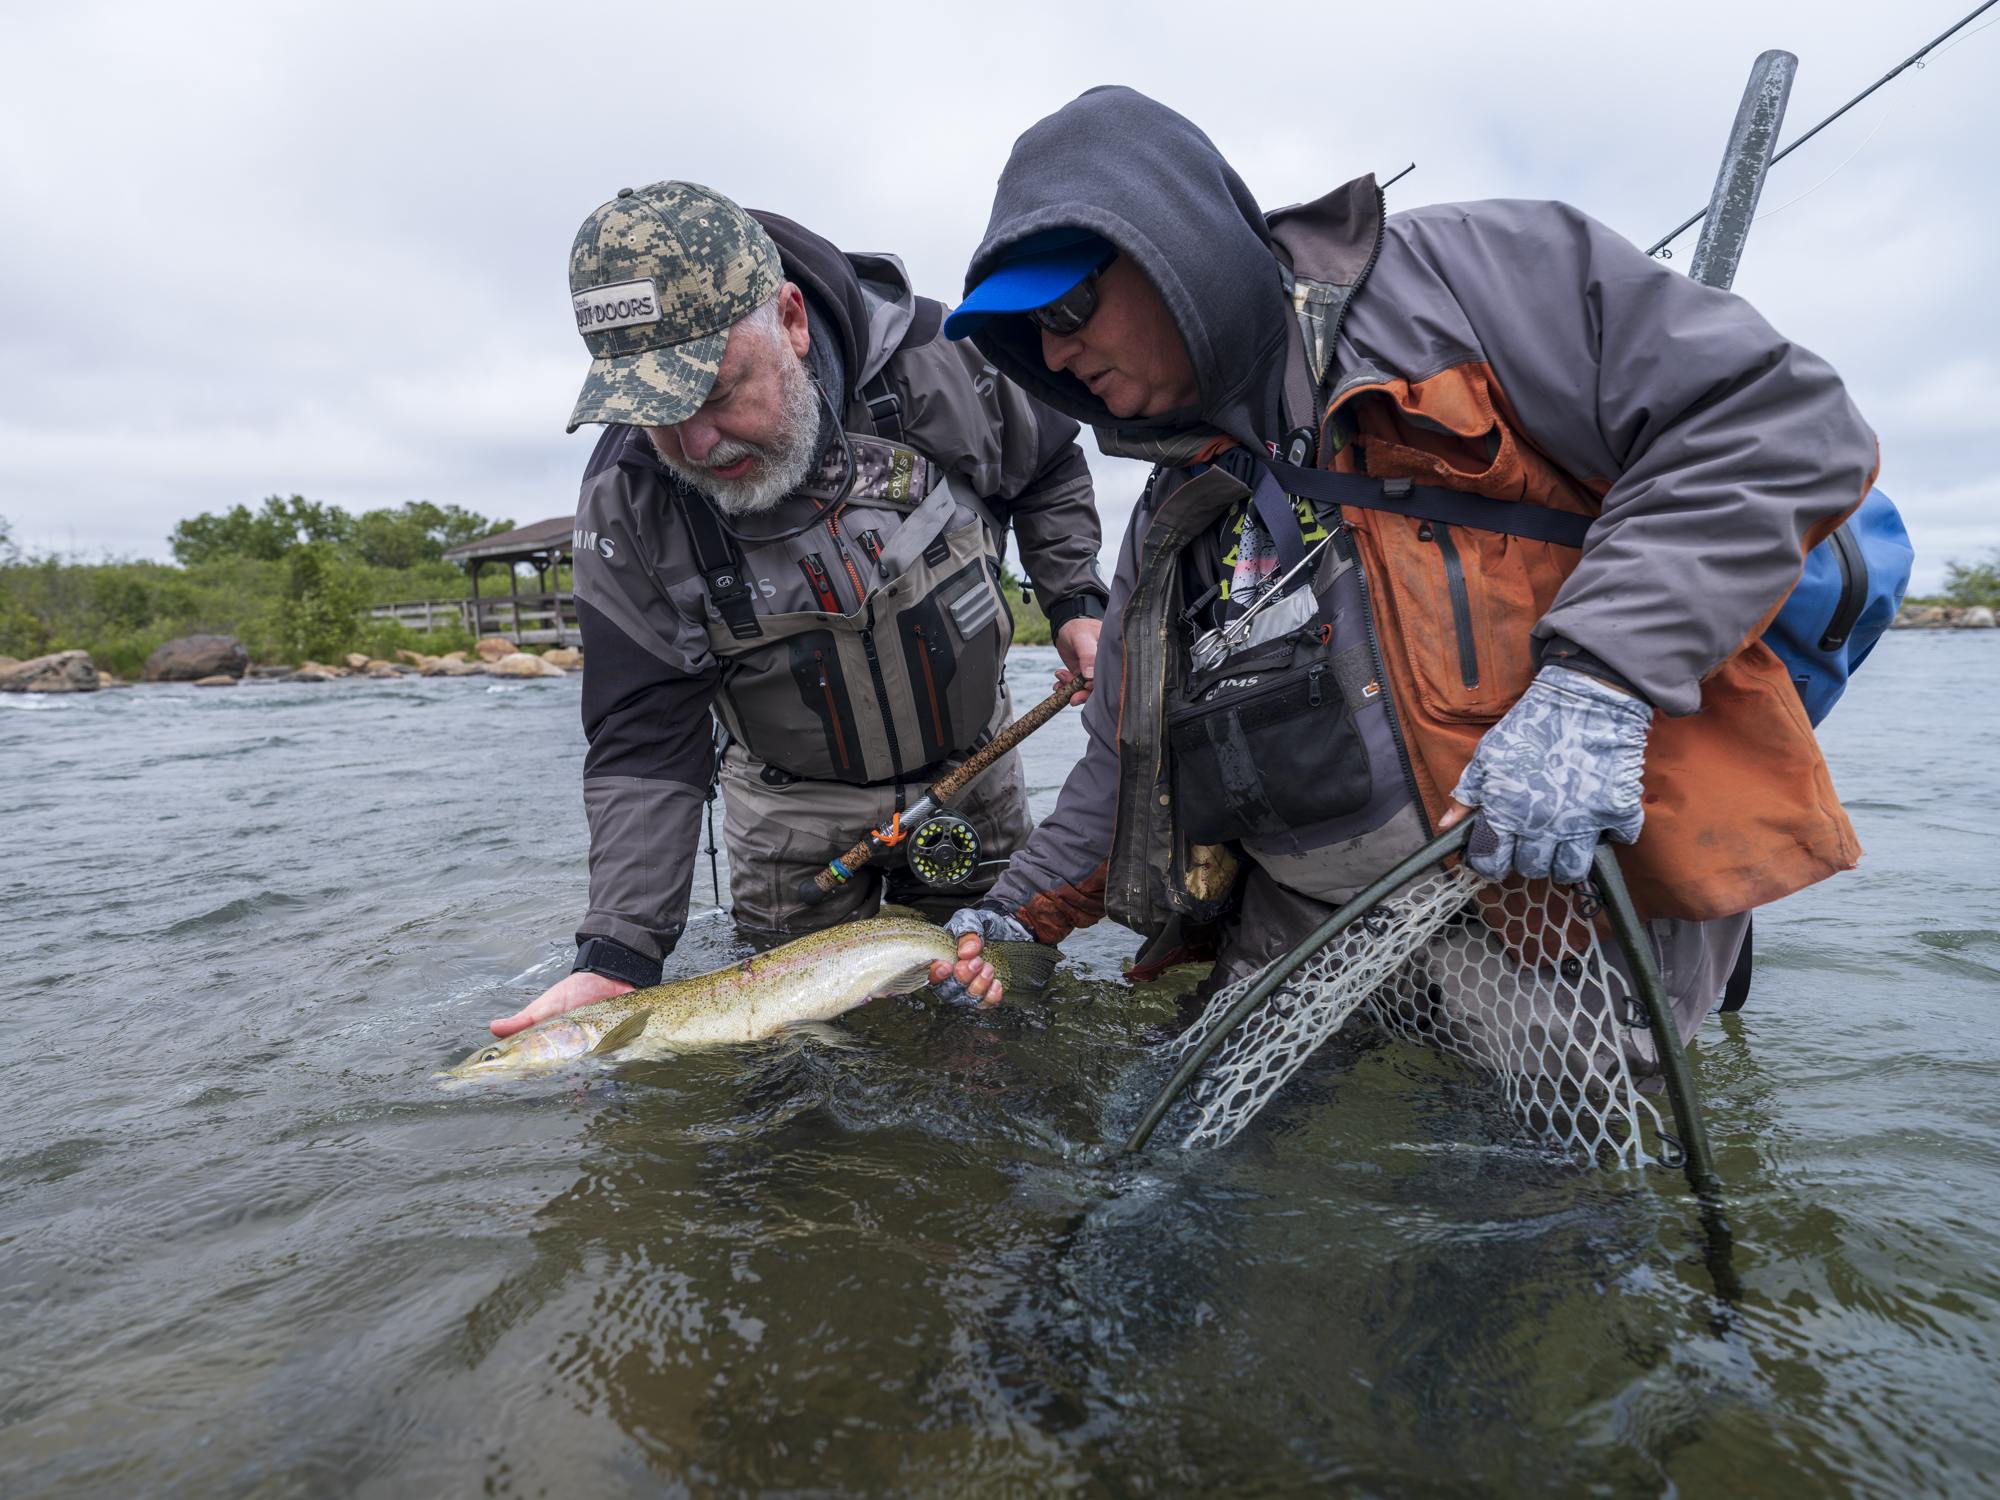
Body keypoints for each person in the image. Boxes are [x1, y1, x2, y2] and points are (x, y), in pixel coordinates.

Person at [932, 86, 1875, 1050]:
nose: (1055, 347)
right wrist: (1015, 913)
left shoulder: (1476, 276)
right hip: (1306, 927)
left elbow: (1779, 421)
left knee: (1528, 1198)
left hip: (1553, 902)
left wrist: (1601, 682)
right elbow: (1123, 765)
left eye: (1071, 303)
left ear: (1177, 249)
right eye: (1030, 331)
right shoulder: (1163, 518)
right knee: (1177, 1188)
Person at [492, 182, 1107, 1038]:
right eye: (656, 415)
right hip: (789, 822)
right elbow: (643, 734)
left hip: (973, 773)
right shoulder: (629, 497)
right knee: (812, 1078)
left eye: (713, 394)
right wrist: (619, 958)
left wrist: (1076, 598)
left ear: (789, 319)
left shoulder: (940, 361)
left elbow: (1046, 467)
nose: (696, 444)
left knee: (1000, 1025)